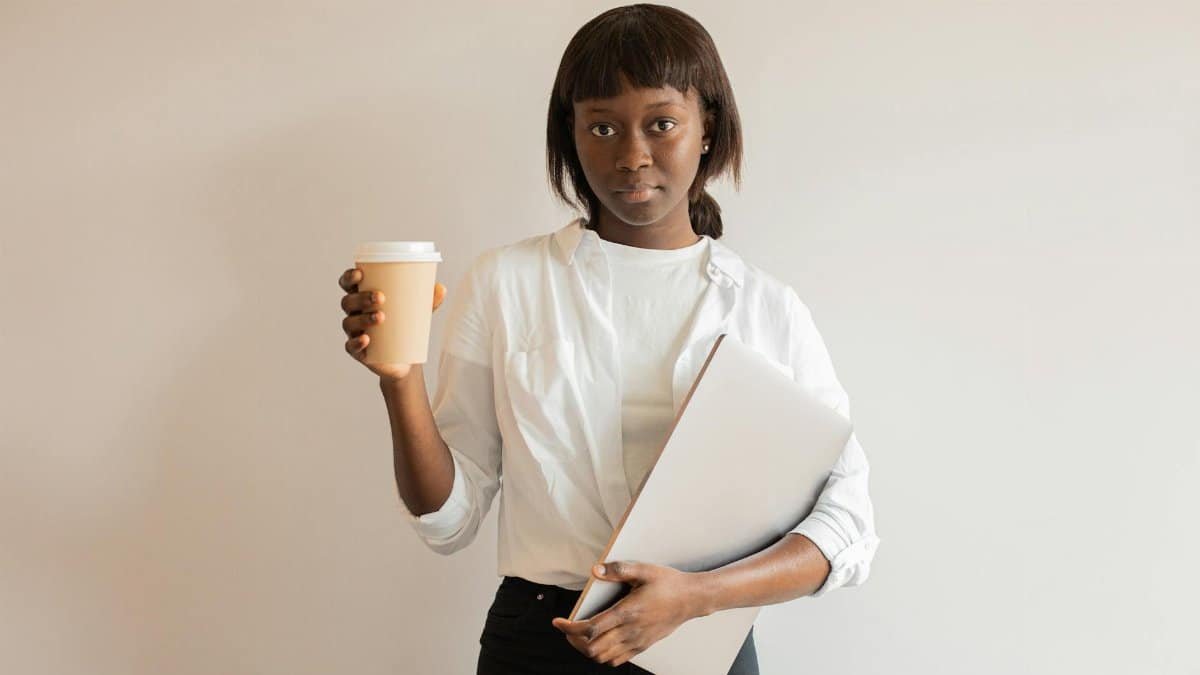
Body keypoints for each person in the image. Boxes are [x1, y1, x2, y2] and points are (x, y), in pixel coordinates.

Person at [337, 4, 879, 673]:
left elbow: (848, 522)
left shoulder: (770, 311)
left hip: (700, 644)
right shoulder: (508, 283)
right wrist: (399, 378)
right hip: (539, 642)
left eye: (661, 123)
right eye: (602, 126)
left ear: (707, 125)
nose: (631, 155)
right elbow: (448, 520)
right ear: (570, 135)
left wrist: (697, 596)